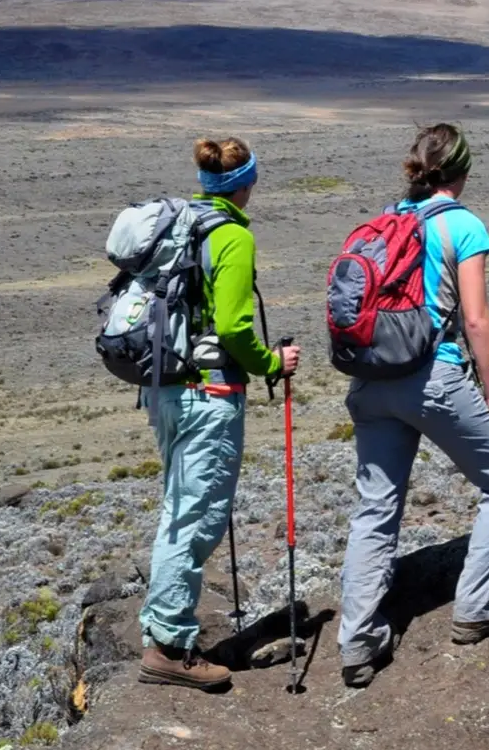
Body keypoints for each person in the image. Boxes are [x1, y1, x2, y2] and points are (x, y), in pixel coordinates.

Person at [338, 123, 489, 688]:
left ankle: (357, 642)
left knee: (376, 509)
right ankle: (480, 605)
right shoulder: (462, 224)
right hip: (432, 377)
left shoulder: (389, 218)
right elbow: (475, 319)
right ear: (462, 172)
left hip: (371, 382)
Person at [139, 137, 301, 690]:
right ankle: (168, 648)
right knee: (196, 519)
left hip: (165, 390)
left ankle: (164, 633)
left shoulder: (181, 225)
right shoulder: (230, 236)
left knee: (179, 509)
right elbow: (233, 327)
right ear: (246, 183)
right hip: (208, 395)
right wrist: (271, 362)